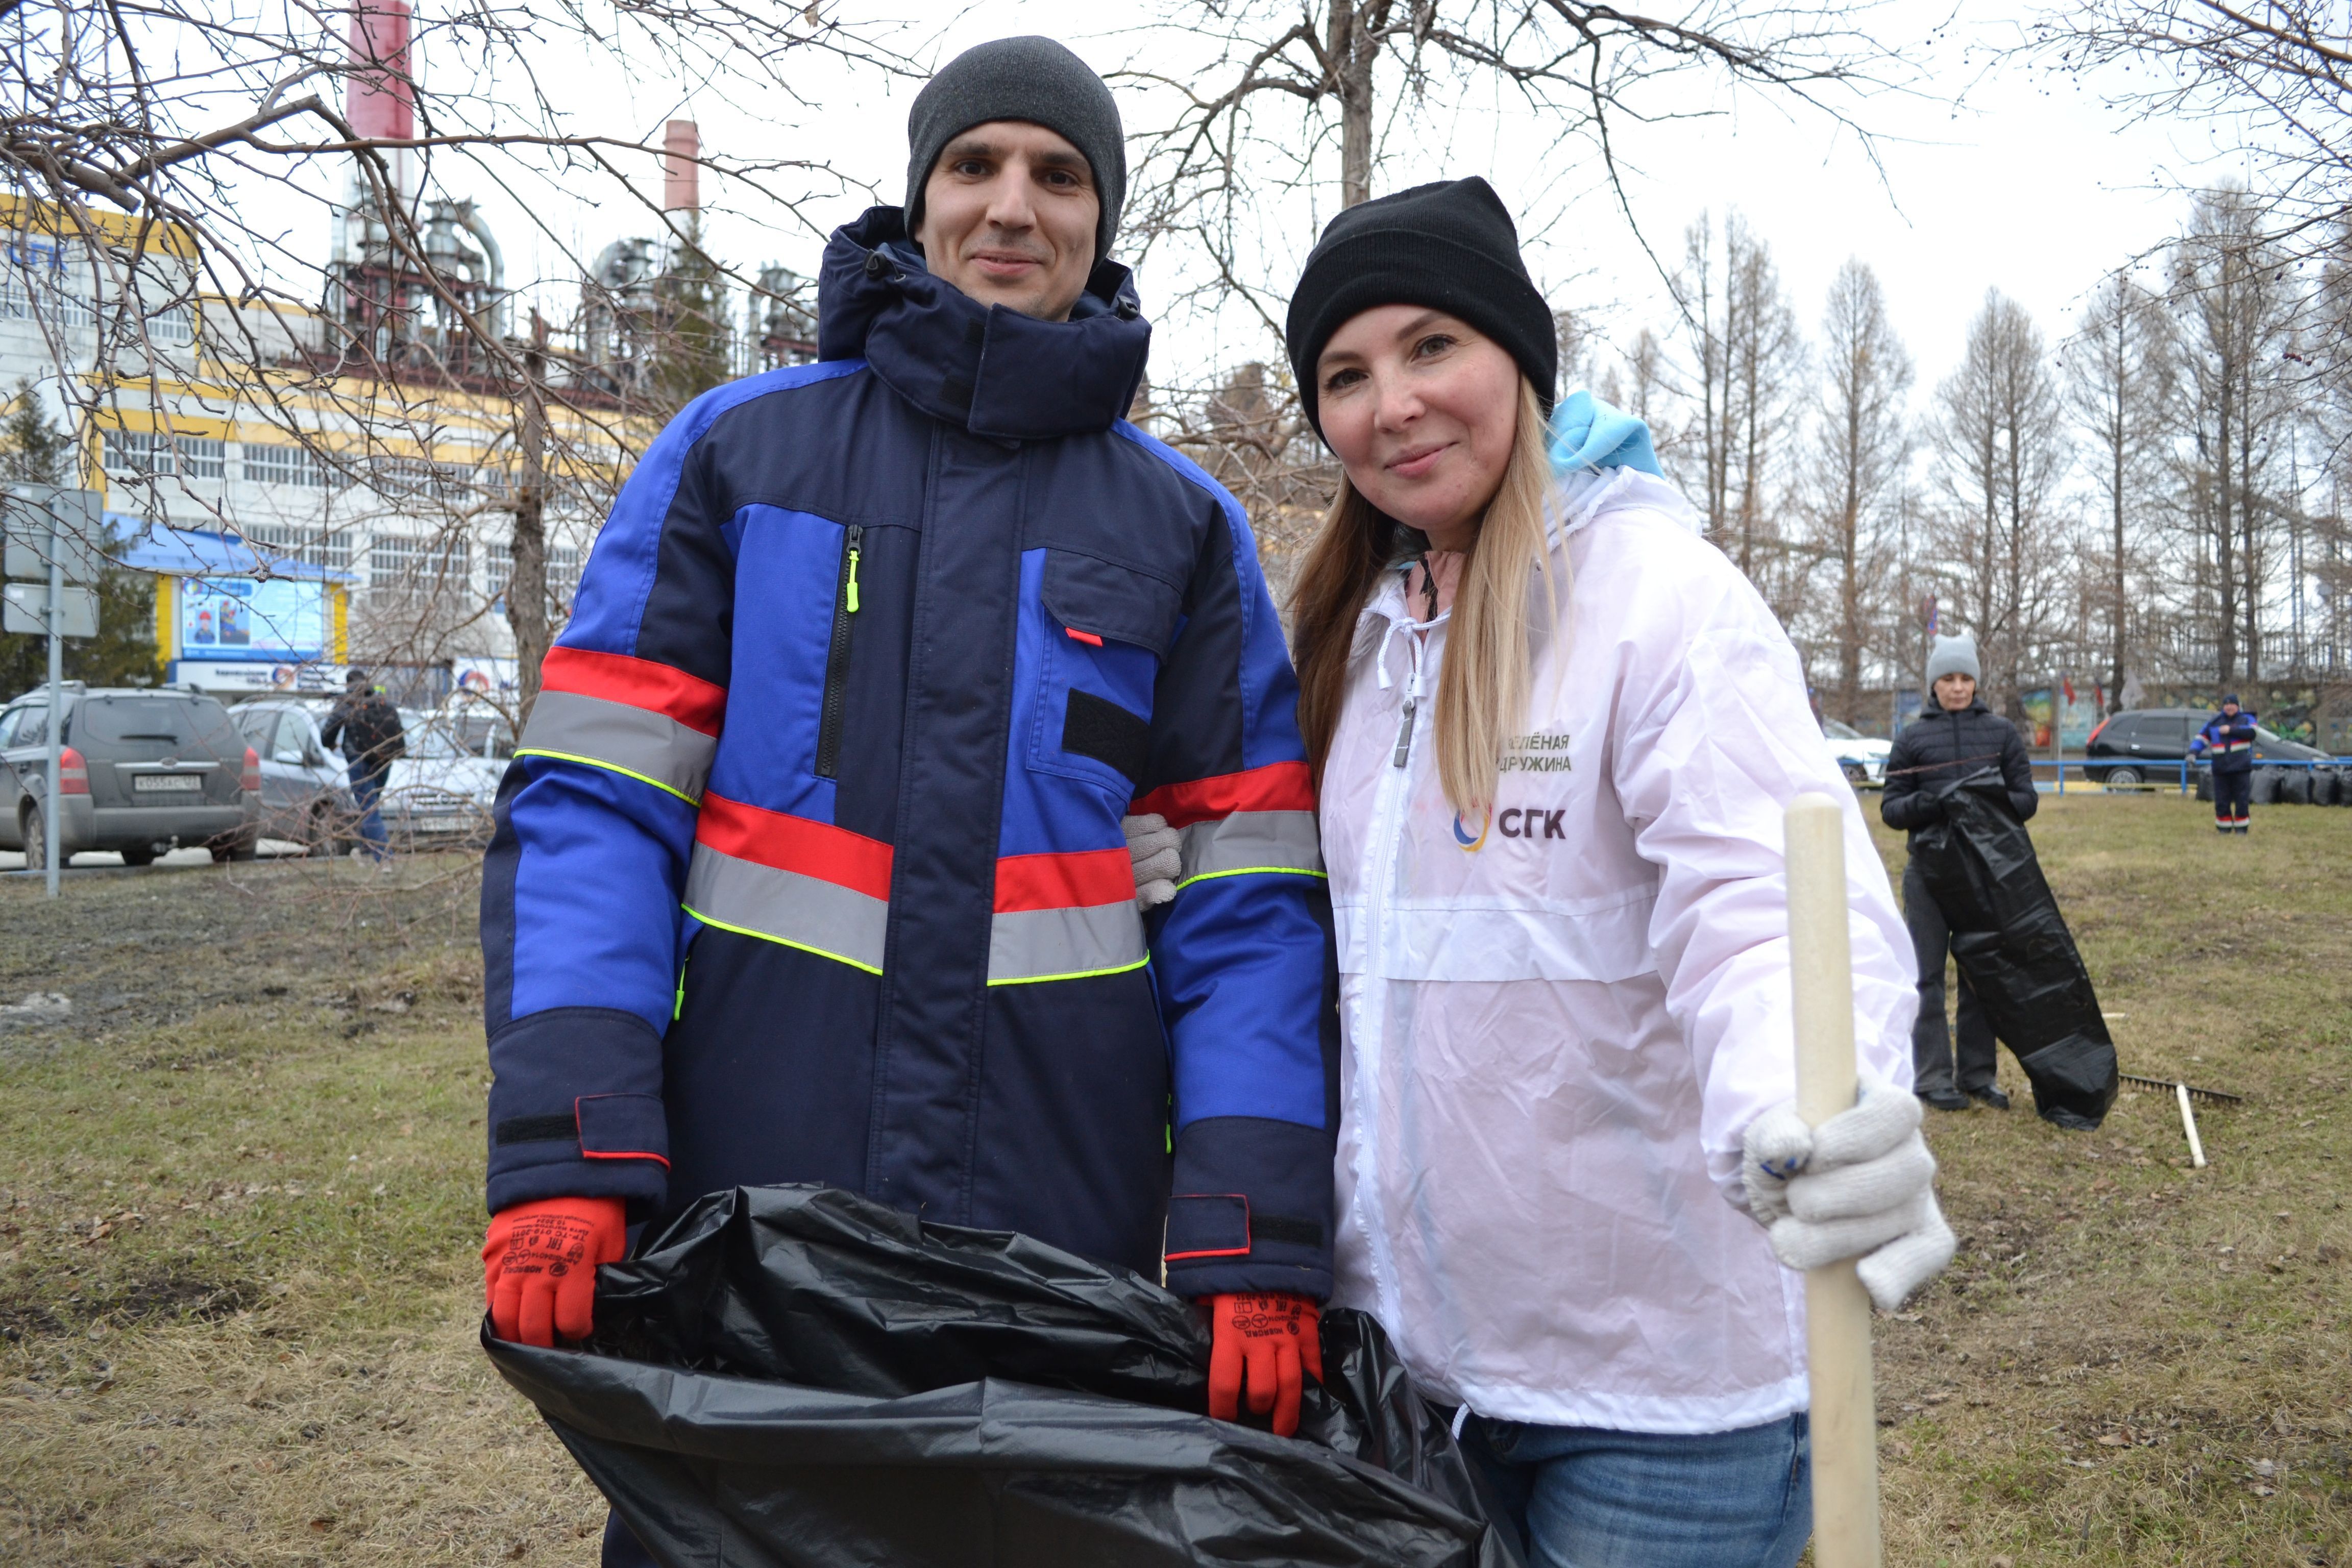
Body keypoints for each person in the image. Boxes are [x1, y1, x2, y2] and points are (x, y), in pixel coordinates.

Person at [478, 38, 1338, 1565]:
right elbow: (593, 810)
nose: (1012, 205)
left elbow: (1248, 899)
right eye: (974, 165)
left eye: (1057, 175)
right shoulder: (739, 454)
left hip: (1056, 1227)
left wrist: (1250, 1229)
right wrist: (573, 1141)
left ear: (1099, 220)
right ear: (921, 195)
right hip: (753, 1206)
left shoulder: (1182, 528)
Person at [1270, 178, 1953, 1568]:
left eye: (1431, 346)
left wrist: (1803, 1103)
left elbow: (1762, 901)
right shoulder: (1356, 637)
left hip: (1660, 1398)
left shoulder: (1658, 602)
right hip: (1414, 1374)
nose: (1393, 403)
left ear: (1520, 360)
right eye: (1345, 374)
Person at [1878, 636, 2038, 1112]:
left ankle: (1977, 1075)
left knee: (1981, 973)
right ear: (1934, 684)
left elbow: (2026, 799)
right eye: (1948, 679)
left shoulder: (2001, 733)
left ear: (1976, 683)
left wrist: (1985, 799)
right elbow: (1891, 809)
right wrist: (1931, 803)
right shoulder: (1912, 739)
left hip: (1985, 872)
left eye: (1966, 678)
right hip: (1928, 874)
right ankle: (1931, 1076)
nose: (1957, 687)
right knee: (1925, 976)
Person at [318, 668, 403, 866]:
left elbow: (326, 736)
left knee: (368, 808)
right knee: (371, 807)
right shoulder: (381, 700)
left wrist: (332, 745)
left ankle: (384, 858)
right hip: (384, 761)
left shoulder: (346, 703)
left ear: (348, 683)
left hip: (360, 761)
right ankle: (363, 851)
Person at [2192, 693, 2257, 833]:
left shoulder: (2247, 719)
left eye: (2232, 704)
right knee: (2222, 800)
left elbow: (2252, 733)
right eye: (2226, 705)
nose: (2229, 707)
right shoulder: (2215, 722)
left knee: (2242, 800)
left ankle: (2241, 829)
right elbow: (2201, 738)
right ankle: (2224, 828)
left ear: (2237, 706)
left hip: (2241, 767)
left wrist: (2231, 730)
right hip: (2221, 768)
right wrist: (2193, 753)